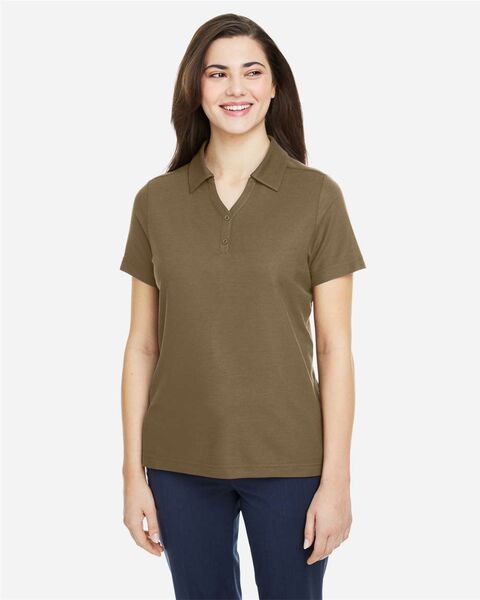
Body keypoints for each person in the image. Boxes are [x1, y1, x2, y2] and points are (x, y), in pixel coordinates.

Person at [119, 13, 366, 600]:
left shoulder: (317, 196)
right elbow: (142, 345)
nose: (236, 88)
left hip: (291, 461)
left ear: (275, 85)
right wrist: (132, 474)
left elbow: (335, 349)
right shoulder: (156, 201)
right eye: (218, 73)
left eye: (252, 72)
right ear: (195, 87)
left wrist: (336, 480)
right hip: (179, 462)